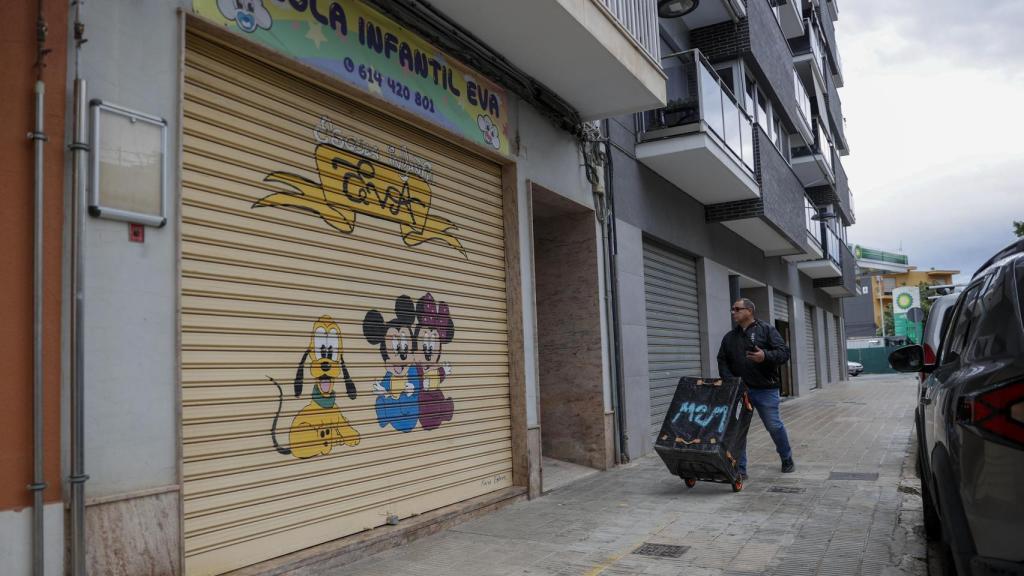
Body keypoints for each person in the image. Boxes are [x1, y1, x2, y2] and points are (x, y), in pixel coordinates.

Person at [717, 298, 794, 480]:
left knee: (774, 426)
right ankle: (740, 469)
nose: (733, 312)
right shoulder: (729, 337)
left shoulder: (767, 330)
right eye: (732, 309)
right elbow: (722, 360)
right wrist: (730, 380)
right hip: (740, 391)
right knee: (738, 430)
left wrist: (764, 356)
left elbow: (784, 353)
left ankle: (786, 458)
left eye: (737, 309)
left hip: (765, 389)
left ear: (749, 311)